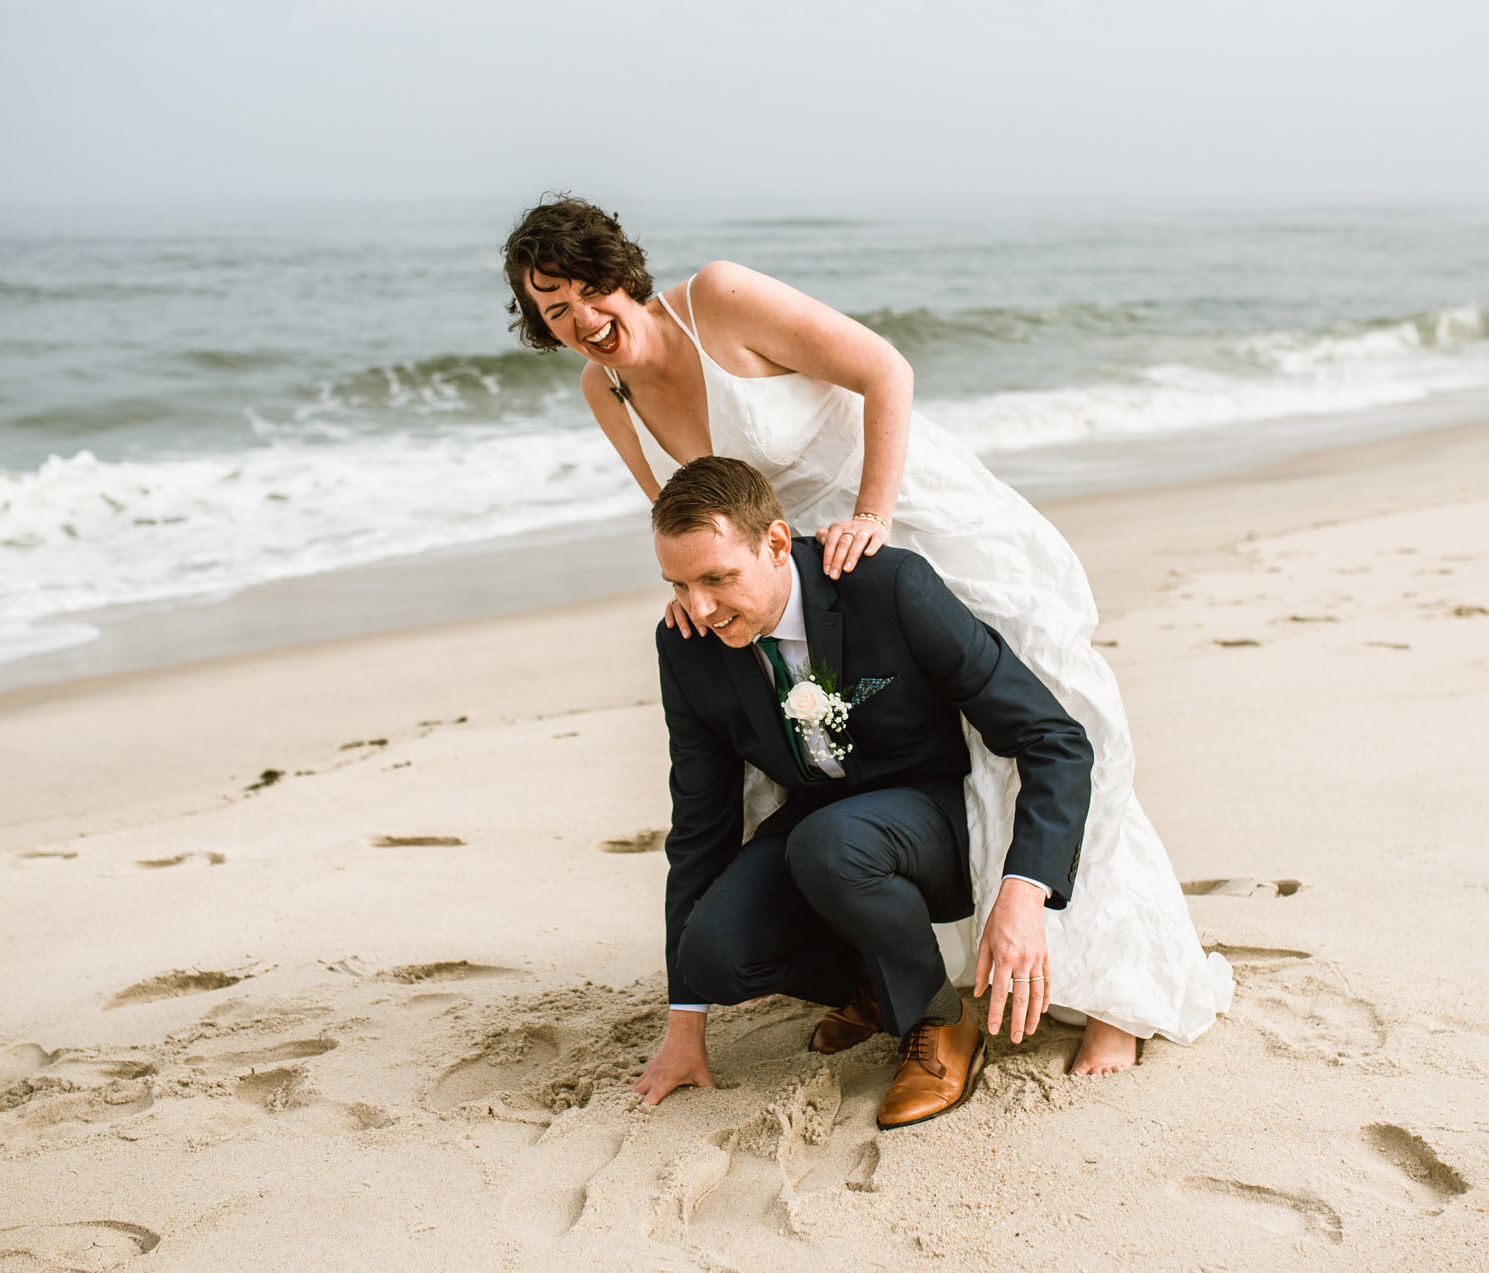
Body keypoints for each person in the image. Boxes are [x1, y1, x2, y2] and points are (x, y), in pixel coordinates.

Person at [502, 197, 1233, 1075]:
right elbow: (681, 503)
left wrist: (872, 516)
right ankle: (903, 978)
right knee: (833, 769)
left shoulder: (721, 301)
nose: (581, 321)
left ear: (621, 276)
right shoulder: (603, 387)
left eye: (587, 293)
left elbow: (885, 370)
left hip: (895, 521)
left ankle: (1122, 989)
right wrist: (695, 587)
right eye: (554, 311)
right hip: (782, 574)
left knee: (1034, 729)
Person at [638, 457, 1091, 1124]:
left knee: (830, 843)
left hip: (926, 820)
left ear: (774, 543)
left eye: (716, 578)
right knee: (710, 956)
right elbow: (699, 825)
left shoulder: (887, 586)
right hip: (819, 826)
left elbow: (1055, 737)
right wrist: (685, 1023)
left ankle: (940, 1020)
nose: (698, 608)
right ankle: (876, 987)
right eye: (679, 583)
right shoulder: (686, 644)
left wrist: (1024, 890)